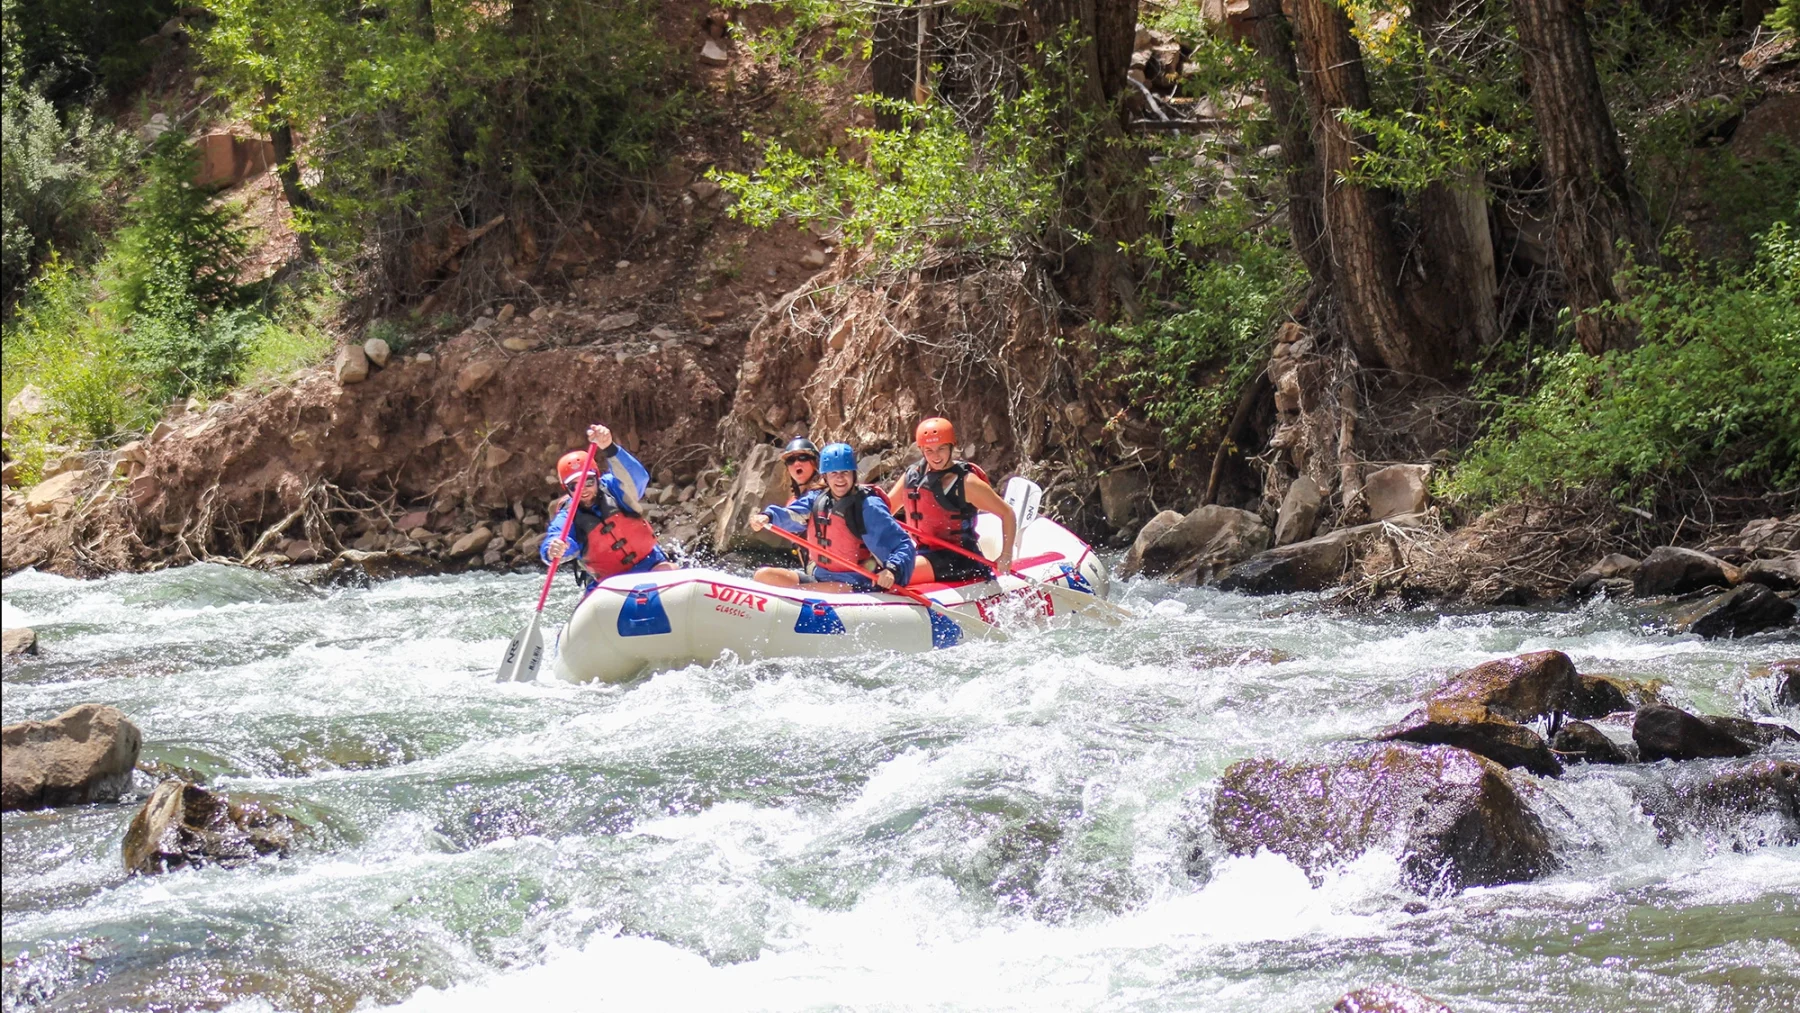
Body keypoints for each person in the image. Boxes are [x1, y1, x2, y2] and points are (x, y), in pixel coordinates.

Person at [749, 442, 915, 593]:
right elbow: (792, 514)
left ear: (853, 475)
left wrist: (892, 569)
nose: (840, 478)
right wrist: (768, 516)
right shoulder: (817, 498)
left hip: (855, 583)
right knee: (763, 576)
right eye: (833, 473)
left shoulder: (869, 506)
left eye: (845, 472)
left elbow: (903, 545)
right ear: (825, 477)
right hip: (820, 575)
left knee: (802, 593)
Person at [541, 422, 678, 588]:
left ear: (597, 478)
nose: (583, 489)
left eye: (588, 481)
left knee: (668, 571)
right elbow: (556, 536)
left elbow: (638, 479)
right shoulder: (567, 515)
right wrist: (553, 550)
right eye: (574, 486)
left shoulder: (615, 488)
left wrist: (609, 448)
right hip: (609, 583)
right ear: (567, 489)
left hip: (650, 565)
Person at [886, 416, 1016, 584]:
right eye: (929, 450)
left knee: (893, 575)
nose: (936, 456)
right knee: (879, 569)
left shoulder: (967, 483)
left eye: (941, 448)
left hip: (958, 558)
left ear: (951, 446)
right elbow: (886, 511)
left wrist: (1006, 555)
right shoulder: (912, 477)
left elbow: (1007, 513)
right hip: (923, 552)